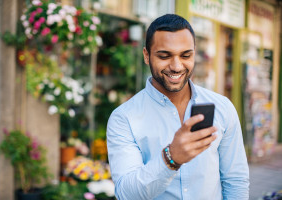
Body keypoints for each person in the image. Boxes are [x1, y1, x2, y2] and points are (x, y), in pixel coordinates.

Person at [106, 14, 249, 200]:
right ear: (146, 56)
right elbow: (126, 194)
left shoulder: (222, 107)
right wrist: (170, 158)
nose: (176, 66)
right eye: (164, 56)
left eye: (186, 55)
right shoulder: (124, 118)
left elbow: (235, 180)